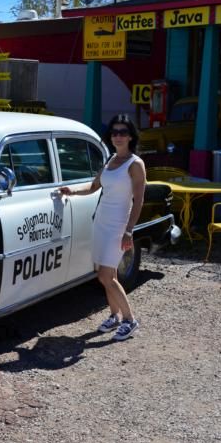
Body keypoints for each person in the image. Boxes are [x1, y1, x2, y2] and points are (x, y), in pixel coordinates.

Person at [58, 114, 146, 341]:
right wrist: (72, 191)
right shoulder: (110, 160)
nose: (118, 136)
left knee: (105, 276)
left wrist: (129, 230)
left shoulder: (135, 164)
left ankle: (130, 320)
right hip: (101, 223)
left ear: (131, 136)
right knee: (108, 273)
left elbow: (139, 200)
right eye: (114, 132)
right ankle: (114, 315)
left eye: (123, 132)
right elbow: (94, 186)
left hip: (118, 226)